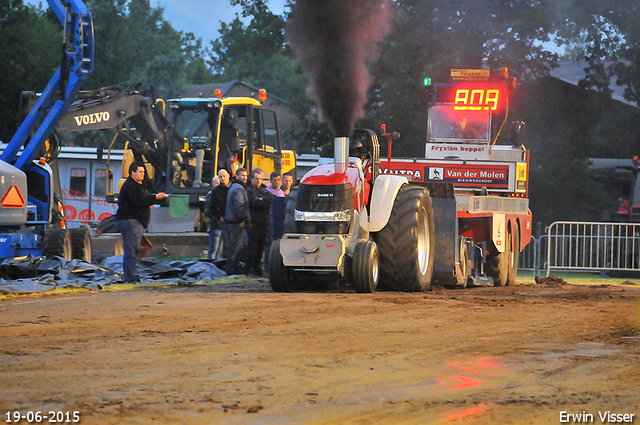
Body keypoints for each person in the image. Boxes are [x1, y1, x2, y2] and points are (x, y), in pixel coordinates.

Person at [115, 163, 167, 283]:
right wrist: (155, 198)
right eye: (140, 172)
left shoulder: (136, 186)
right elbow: (139, 201)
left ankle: (131, 275)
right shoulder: (131, 186)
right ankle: (130, 278)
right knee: (132, 250)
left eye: (143, 172)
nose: (143, 174)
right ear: (132, 172)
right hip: (131, 221)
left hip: (132, 221)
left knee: (133, 250)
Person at [245, 168, 272, 276]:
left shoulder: (264, 190)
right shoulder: (249, 191)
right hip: (254, 223)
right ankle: (249, 269)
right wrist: (263, 201)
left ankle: (257, 268)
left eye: (260, 179)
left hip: (264, 223)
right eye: (256, 178)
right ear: (252, 179)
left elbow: (271, 200)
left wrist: (262, 200)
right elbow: (255, 203)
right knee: (252, 247)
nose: (258, 181)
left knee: (261, 247)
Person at [224, 168, 250, 275]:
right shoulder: (239, 189)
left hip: (233, 221)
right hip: (237, 222)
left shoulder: (233, 187)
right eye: (242, 175)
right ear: (237, 176)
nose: (244, 177)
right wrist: (242, 219)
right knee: (236, 247)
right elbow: (238, 205)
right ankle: (231, 270)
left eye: (245, 175)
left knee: (237, 246)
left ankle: (234, 269)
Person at [210, 169, 231, 260]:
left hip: (234, 220)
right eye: (220, 177)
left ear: (228, 176)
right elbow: (212, 207)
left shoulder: (234, 188)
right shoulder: (216, 192)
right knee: (216, 248)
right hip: (221, 222)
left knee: (227, 246)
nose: (222, 178)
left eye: (224, 176)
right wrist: (219, 217)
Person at [266, 171, 286, 241]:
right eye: (275, 180)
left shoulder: (281, 192)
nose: (277, 182)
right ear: (271, 180)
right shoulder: (267, 191)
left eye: (278, 180)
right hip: (271, 218)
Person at [206, 175, 221, 259]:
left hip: (222, 226)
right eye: (216, 183)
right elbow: (208, 211)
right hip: (214, 225)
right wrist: (218, 216)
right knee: (213, 249)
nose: (218, 184)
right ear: (212, 184)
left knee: (219, 250)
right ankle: (211, 266)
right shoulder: (210, 195)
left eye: (219, 183)